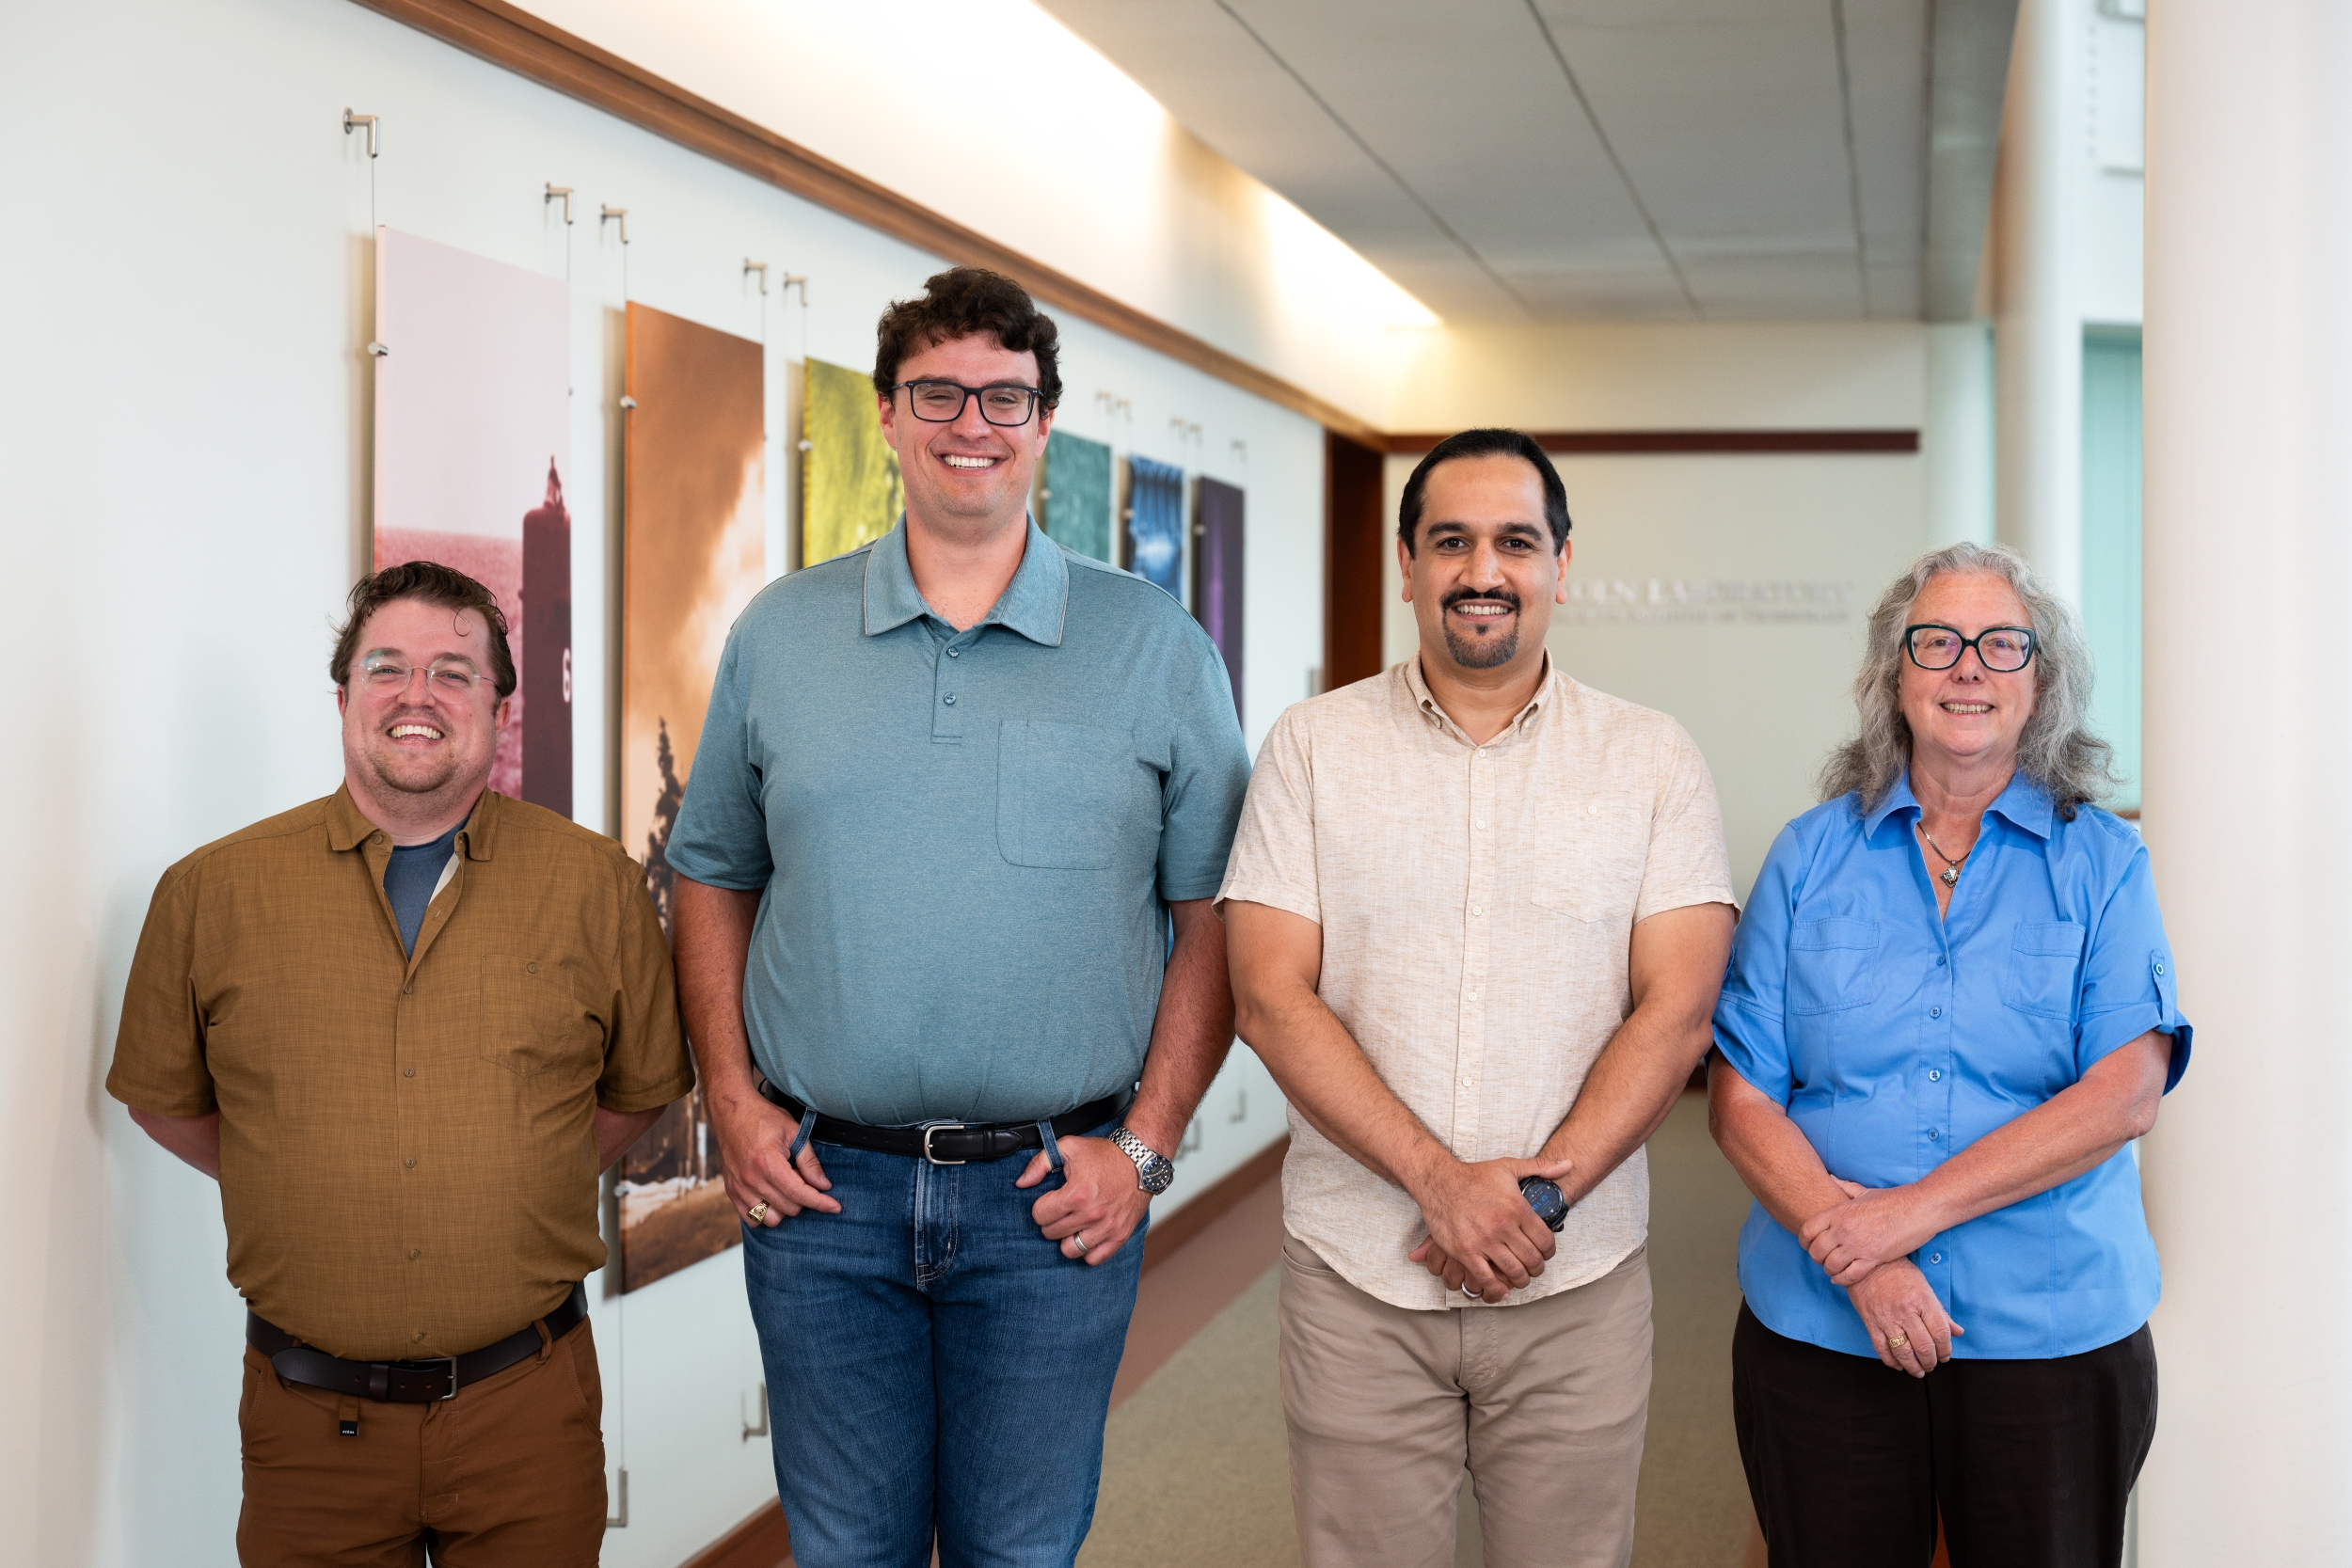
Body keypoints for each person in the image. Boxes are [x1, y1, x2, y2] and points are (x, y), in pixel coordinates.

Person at [667, 265, 1251, 1568]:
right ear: (886, 414)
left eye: (1004, 394)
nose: (970, 421)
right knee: (845, 1549)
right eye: (937, 391)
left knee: (1019, 1550)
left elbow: (1215, 916)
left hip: (1055, 1192)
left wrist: (1148, 1148)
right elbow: (709, 869)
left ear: (1047, 421)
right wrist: (732, 1098)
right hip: (824, 1195)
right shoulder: (783, 633)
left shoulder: (1156, 645)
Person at [106, 561, 693, 1566]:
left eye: (455, 672)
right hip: (307, 1431)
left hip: (529, 1415)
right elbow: (168, 1106)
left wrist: (519, 1170)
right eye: (387, 666)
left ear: (500, 709)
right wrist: (294, 1165)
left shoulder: (594, 885)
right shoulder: (207, 893)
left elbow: (638, 1093)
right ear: (344, 696)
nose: (418, 694)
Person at [1221, 427, 1737, 1568]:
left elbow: (1678, 1010)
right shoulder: (1310, 749)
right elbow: (1266, 995)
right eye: (1450, 541)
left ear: (1560, 562)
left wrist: (1532, 1200)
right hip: (1359, 1276)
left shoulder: (1653, 759)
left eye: (1514, 540)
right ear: (1407, 563)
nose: (1482, 570)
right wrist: (1439, 1185)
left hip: (1578, 1277)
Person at [1708, 541, 2189, 1568]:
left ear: (2039, 684)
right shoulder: (1808, 852)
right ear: (1894, 677)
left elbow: (2123, 1093)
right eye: (1936, 641)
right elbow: (1739, 1093)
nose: (1967, 665)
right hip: (1824, 1321)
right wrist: (1866, 1260)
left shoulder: (2106, 862)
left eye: (2000, 644)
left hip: (2049, 1330)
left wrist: (1900, 1217)